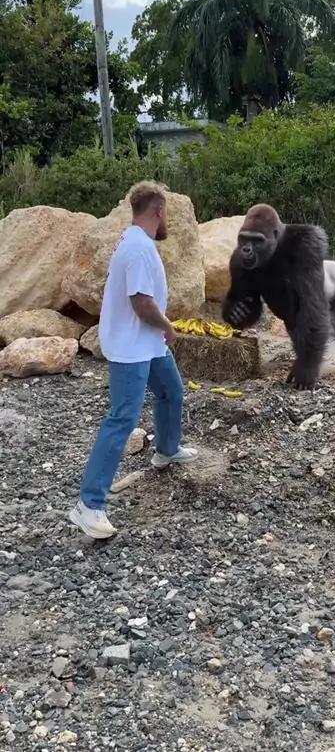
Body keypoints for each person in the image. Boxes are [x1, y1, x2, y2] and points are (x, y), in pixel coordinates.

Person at [69, 181, 198, 539]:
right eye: (167, 213)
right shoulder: (139, 247)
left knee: (170, 391)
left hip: (146, 343)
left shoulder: (136, 241)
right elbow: (141, 302)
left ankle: (167, 450)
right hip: (131, 347)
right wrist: (168, 325)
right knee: (123, 418)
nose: (167, 219)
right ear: (159, 210)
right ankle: (89, 505)